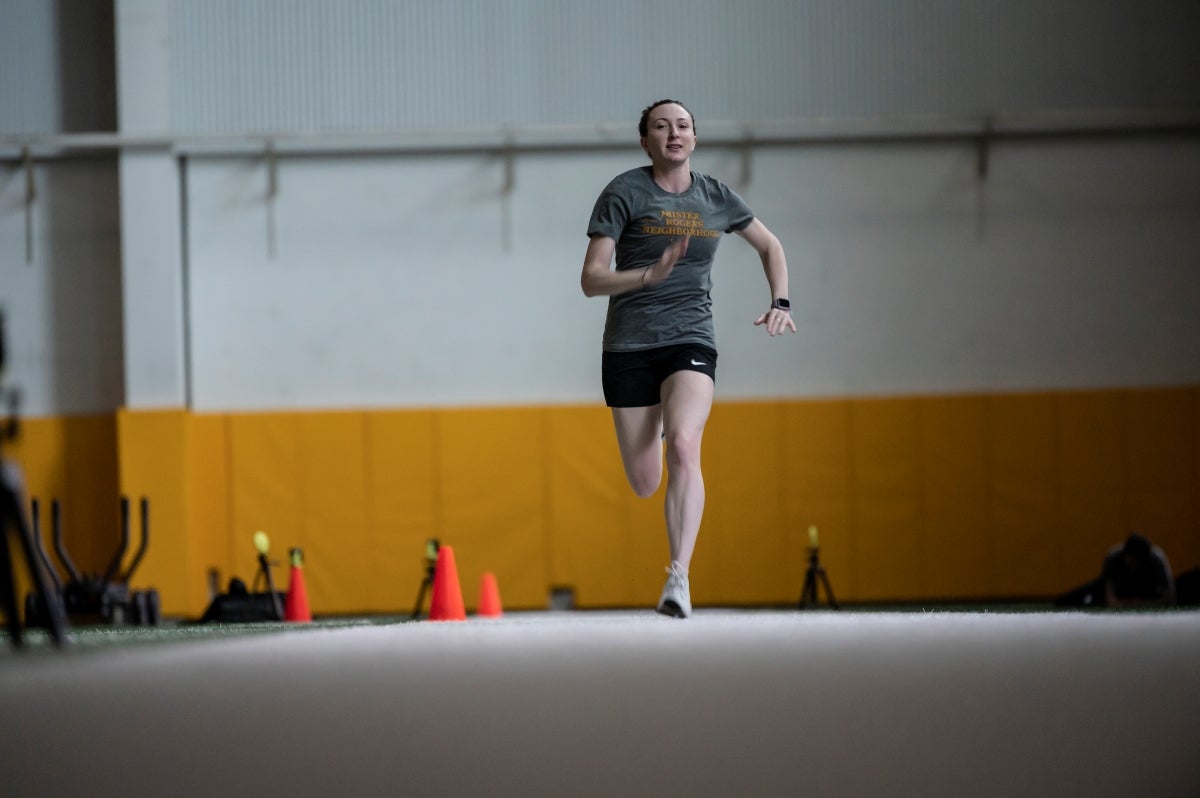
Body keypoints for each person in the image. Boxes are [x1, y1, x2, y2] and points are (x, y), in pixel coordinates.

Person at [580, 99, 795, 618]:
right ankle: (655, 429)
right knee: (645, 481)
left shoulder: (715, 196)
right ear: (645, 141)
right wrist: (645, 277)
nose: (673, 133)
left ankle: (678, 577)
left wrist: (780, 301)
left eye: (682, 126)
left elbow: (770, 245)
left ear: (694, 139)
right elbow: (591, 279)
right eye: (661, 126)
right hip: (629, 345)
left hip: (690, 338)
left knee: (684, 445)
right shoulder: (624, 192)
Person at [1055, 532, 1176, 608]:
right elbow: (1109, 594)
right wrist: (1122, 603)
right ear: (1125, 555)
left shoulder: (1156, 559)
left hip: (1145, 590)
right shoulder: (1113, 557)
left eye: (1137, 562)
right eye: (1130, 561)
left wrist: (1143, 603)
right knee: (1069, 600)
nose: (1133, 566)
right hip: (1121, 589)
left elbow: (1169, 597)